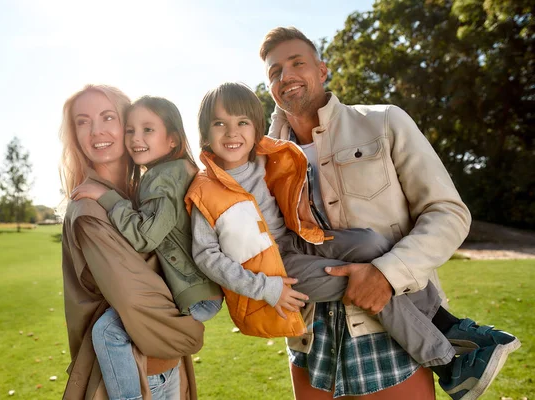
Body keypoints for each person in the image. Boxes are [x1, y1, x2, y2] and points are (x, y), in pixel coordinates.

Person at [185, 82, 519, 400]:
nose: (232, 132)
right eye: (219, 123)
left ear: (255, 128)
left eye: (242, 122)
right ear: (204, 133)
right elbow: (207, 257)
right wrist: (266, 288)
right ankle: (447, 362)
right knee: (359, 281)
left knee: (370, 243)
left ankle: (451, 326)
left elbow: (280, 120)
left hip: (297, 241)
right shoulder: (205, 190)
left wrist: (284, 89)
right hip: (274, 269)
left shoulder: (265, 155)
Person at [260, 27, 521, 399]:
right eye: (274, 72)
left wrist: (386, 274)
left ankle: (449, 338)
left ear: (322, 70)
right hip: (309, 339)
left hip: (394, 337)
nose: (285, 76)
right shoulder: (262, 160)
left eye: (296, 63)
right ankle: (456, 332)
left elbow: (447, 212)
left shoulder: (384, 122)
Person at [71, 95, 223, 400]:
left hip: (195, 295)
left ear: (172, 141)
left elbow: (145, 237)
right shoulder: (169, 173)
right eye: (131, 130)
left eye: (148, 130)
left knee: (107, 332)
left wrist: (108, 198)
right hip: (198, 293)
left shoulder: (163, 178)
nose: (136, 138)